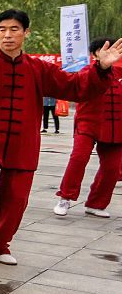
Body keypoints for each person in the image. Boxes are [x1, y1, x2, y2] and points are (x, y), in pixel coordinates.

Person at [0, 10, 121, 266]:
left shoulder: (38, 68)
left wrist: (101, 68)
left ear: (26, 32)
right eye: (2, 29)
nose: (7, 35)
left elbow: (73, 85)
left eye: (14, 29)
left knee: (16, 197)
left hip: (23, 143)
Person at [55, 37, 122, 218]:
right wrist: (102, 68)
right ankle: (65, 198)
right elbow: (83, 86)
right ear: (95, 54)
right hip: (88, 124)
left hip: (115, 128)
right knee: (78, 159)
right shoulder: (87, 72)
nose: (108, 53)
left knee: (112, 169)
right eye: (103, 50)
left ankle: (96, 203)